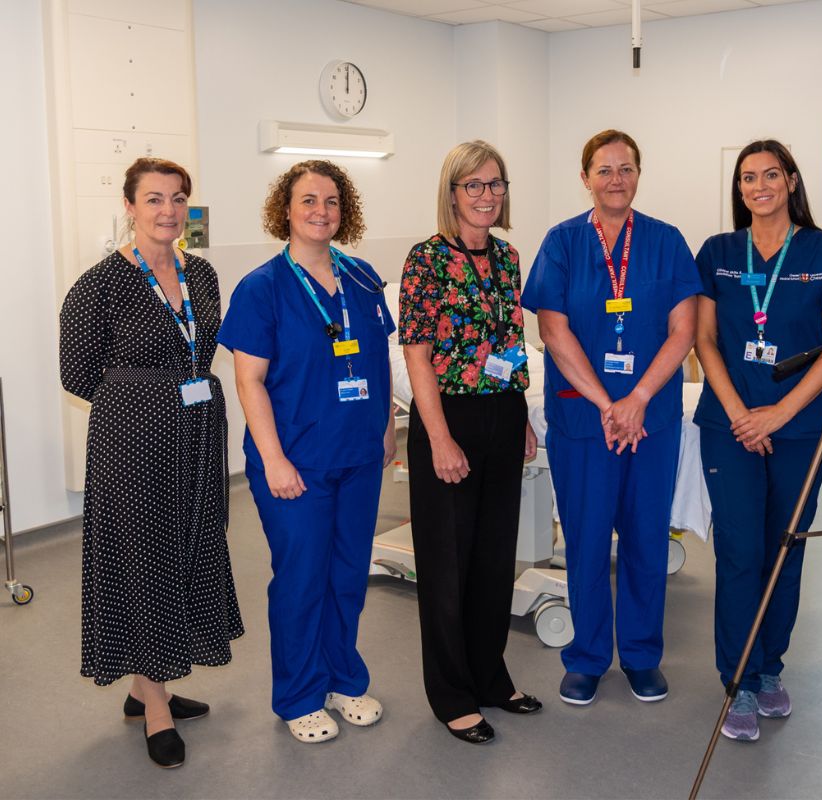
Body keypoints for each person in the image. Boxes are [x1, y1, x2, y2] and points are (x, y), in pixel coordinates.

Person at [59, 157, 243, 768]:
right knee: (144, 559)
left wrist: (175, 398)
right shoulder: (99, 284)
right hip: (131, 444)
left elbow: (205, 348)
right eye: (155, 199)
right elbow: (77, 374)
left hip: (194, 435)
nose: (169, 211)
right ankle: (157, 708)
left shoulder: (205, 275)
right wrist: (144, 403)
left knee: (188, 549)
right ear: (130, 206)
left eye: (178, 199)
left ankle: (144, 687)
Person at [521, 129, 702, 706]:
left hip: (650, 419)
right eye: (604, 169)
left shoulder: (666, 241)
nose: (616, 178)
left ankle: (643, 655)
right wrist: (608, 403)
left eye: (626, 168)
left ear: (638, 175)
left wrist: (638, 398)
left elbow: (683, 332)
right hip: (585, 421)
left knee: (647, 538)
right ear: (586, 178)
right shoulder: (563, 242)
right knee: (587, 539)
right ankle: (588, 657)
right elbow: (553, 331)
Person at [218, 160, 395, 744]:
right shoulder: (262, 288)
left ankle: (344, 679)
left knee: (347, 575)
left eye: (332, 201)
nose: (321, 211)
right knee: (301, 578)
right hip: (295, 461)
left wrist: (390, 427)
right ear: (285, 210)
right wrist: (272, 459)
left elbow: (376, 363)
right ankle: (298, 695)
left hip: (360, 453)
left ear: (345, 212)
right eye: (308, 201)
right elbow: (250, 382)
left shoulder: (365, 278)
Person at [693, 140, 822, 741]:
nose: (759, 186)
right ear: (739, 190)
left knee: (786, 551)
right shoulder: (718, 252)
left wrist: (779, 413)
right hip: (730, 425)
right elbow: (705, 340)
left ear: (790, 181)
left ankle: (768, 670)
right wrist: (742, 414)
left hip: (800, 425)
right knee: (739, 553)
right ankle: (736, 681)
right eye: (747, 178)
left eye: (770, 175)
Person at [398, 140, 541, 745]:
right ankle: (452, 693)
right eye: (474, 186)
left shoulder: (506, 258)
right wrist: (438, 437)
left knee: (492, 559)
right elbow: (417, 353)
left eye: (496, 184)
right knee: (447, 564)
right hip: (448, 419)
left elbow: (510, 341)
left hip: (502, 416)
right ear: (452, 193)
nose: (487, 196)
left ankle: (490, 676)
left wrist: (523, 415)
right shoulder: (427, 259)